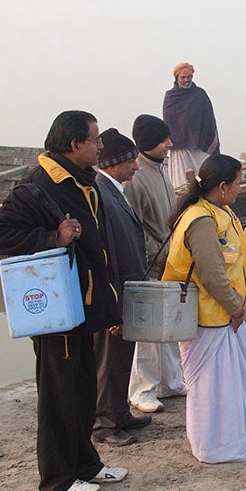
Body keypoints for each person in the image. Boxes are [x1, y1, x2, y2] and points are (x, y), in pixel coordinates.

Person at [0, 110, 126, 491]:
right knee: (58, 396)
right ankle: (57, 480)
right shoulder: (39, 186)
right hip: (55, 312)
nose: (100, 146)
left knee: (81, 390)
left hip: (83, 308)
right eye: (95, 140)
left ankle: (87, 464)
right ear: (74, 144)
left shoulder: (81, 181)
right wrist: (53, 237)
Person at [163, 154, 246, 463]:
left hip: (224, 317)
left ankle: (237, 440)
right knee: (213, 389)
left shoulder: (222, 212)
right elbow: (211, 275)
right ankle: (216, 447)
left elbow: (229, 257)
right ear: (223, 186)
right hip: (209, 318)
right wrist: (236, 308)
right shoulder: (200, 219)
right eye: (239, 182)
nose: (242, 187)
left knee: (233, 382)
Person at [92, 128, 152, 447]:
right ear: (115, 163)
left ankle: (120, 413)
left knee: (121, 358)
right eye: (132, 161)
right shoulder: (102, 193)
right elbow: (107, 254)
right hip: (115, 294)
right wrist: (113, 306)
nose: (136, 167)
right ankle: (105, 423)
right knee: (108, 360)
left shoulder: (114, 190)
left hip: (126, 291)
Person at [124, 114, 187, 413]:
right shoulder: (135, 179)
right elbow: (133, 227)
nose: (170, 145)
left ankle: (171, 382)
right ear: (149, 144)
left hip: (169, 260)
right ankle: (142, 390)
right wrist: (154, 254)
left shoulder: (162, 170)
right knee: (147, 333)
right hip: (150, 263)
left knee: (170, 325)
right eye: (164, 141)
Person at [162, 62, 220, 194]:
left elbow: (209, 119)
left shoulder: (200, 94)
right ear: (177, 78)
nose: (186, 80)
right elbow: (169, 121)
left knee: (205, 177)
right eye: (183, 77)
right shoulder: (170, 97)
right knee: (181, 181)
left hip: (199, 144)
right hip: (179, 146)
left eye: (189, 77)